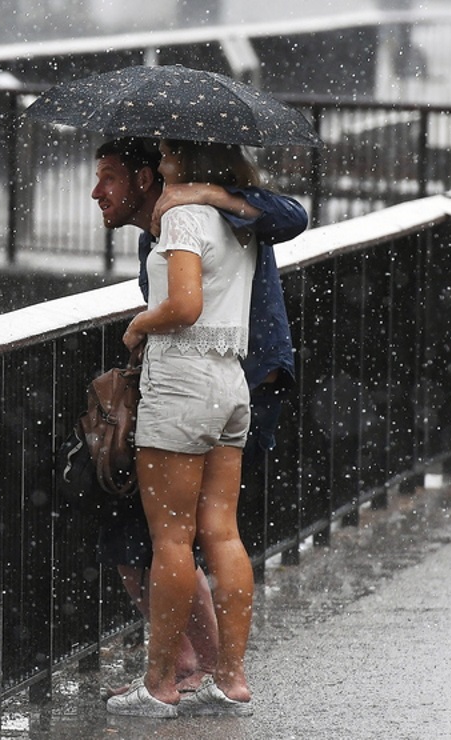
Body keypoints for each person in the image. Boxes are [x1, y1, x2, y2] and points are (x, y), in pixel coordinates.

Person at [94, 138, 304, 717]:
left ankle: (160, 682)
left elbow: (183, 306)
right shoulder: (237, 223)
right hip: (231, 382)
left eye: (165, 156)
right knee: (223, 533)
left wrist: (139, 324)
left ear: (185, 163)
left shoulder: (185, 217)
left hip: (183, 383)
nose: (160, 165)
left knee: (170, 539)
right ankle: (229, 678)